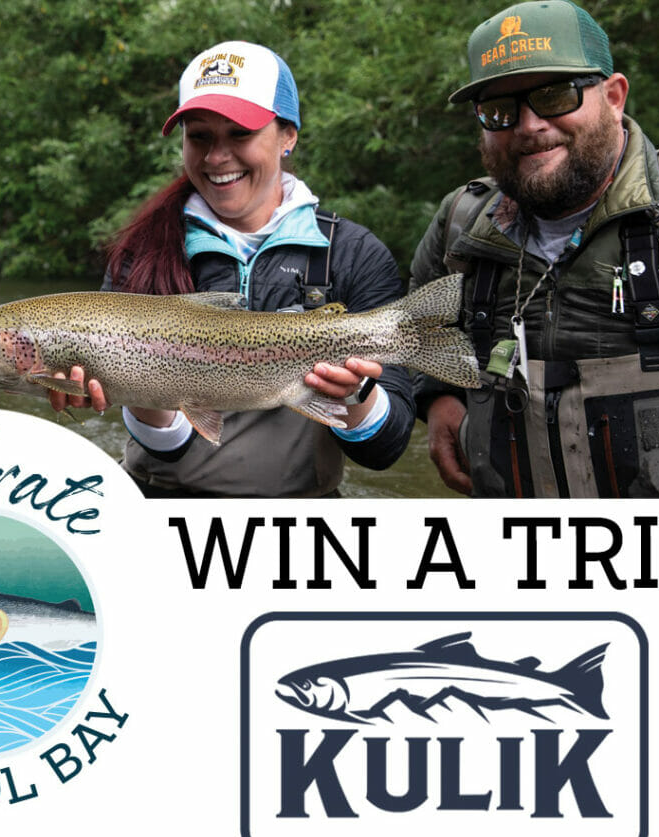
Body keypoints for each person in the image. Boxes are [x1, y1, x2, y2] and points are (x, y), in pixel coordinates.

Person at [411, 0, 659, 498]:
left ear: (615, 96)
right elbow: (415, 337)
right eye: (500, 110)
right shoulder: (460, 225)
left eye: (555, 95)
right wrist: (438, 397)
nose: (529, 125)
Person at [51, 40, 416, 497]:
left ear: (288, 135)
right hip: (160, 512)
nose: (216, 157)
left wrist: (354, 394)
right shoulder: (142, 250)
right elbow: (168, 448)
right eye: (200, 136)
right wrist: (142, 396)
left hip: (300, 527)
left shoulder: (353, 254)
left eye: (240, 134)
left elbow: (386, 449)